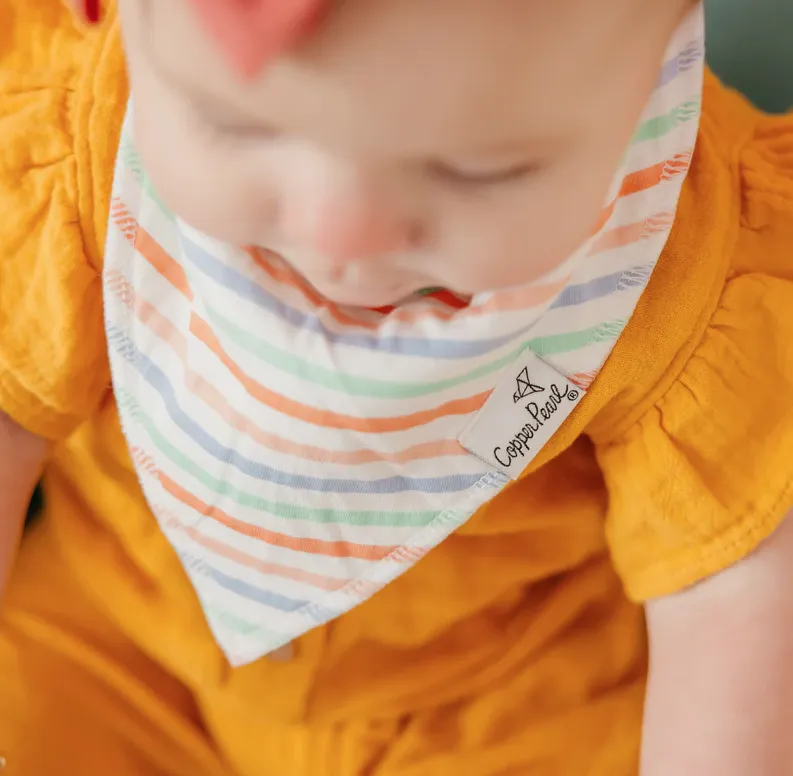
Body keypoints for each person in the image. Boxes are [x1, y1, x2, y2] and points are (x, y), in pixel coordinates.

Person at [1, 0, 792, 773]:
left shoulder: (693, 267)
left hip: (501, 700)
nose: (339, 238)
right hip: (122, 645)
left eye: (480, 168)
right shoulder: (71, 136)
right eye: (234, 122)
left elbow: (731, 586)